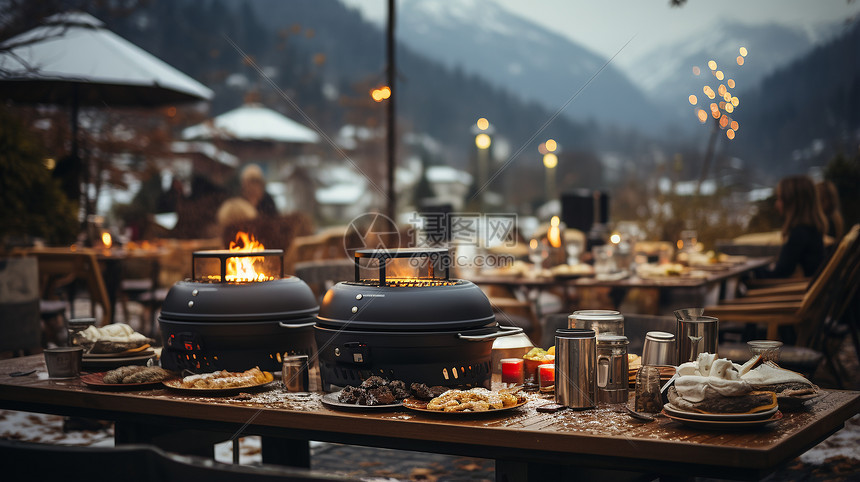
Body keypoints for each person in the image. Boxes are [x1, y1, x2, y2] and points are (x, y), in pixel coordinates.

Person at [758, 175, 827, 279]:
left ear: (792, 202)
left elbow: (780, 274)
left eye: (780, 198)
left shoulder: (799, 234)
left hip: (796, 292)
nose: (777, 204)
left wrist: (750, 273)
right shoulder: (811, 231)